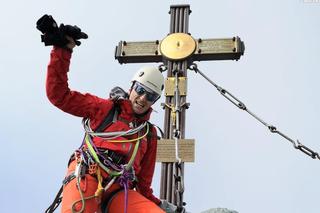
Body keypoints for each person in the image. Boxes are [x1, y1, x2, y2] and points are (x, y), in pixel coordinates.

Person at [44, 26, 177, 212]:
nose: (143, 99)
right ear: (132, 87)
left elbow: (144, 183)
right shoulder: (105, 109)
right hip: (88, 174)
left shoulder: (148, 134)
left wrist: (159, 205)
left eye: (151, 96)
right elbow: (59, 95)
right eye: (140, 90)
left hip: (120, 190)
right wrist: (62, 50)